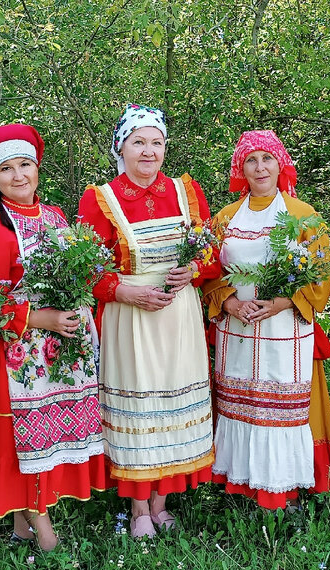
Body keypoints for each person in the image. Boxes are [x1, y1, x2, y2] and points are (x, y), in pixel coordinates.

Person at [0, 124, 110, 551]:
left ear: (37, 167)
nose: (18, 175)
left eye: (25, 164)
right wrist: (41, 318)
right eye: (7, 169)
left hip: (58, 351)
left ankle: (24, 525)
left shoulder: (55, 217)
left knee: (49, 436)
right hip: (18, 354)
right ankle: (42, 529)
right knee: (20, 441)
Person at [76, 104, 219, 537]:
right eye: (139, 142)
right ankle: (138, 508)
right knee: (139, 403)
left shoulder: (185, 190)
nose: (149, 151)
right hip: (130, 315)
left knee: (175, 399)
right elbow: (82, 267)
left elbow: (212, 251)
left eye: (156, 142)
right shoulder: (100, 198)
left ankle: (162, 501)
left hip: (178, 314)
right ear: (121, 148)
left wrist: (194, 270)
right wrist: (124, 290)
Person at [201, 130, 330, 510]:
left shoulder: (304, 216)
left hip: (284, 326)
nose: (260, 167)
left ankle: (284, 486)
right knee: (241, 402)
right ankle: (243, 481)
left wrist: (283, 301)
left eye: (267, 158)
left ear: (280, 163)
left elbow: (320, 272)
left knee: (279, 405)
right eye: (251, 160)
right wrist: (229, 301)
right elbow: (209, 270)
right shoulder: (225, 218)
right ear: (241, 168)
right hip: (237, 328)